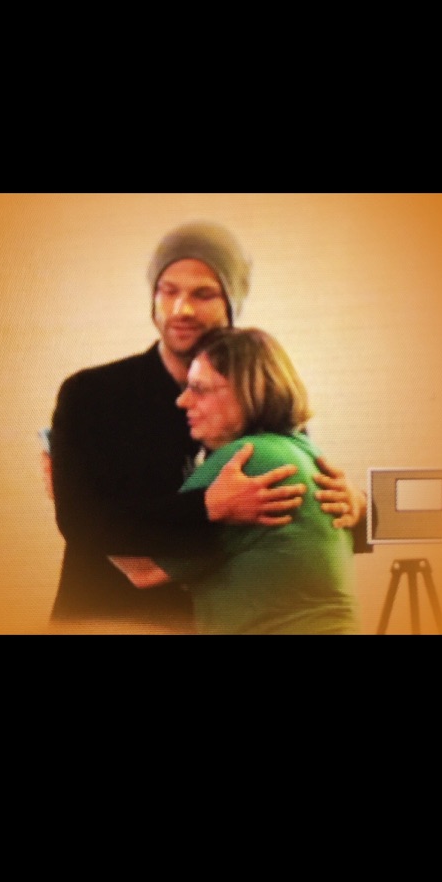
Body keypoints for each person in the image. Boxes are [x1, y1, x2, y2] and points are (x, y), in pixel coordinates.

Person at [49, 221, 367, 632]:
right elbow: (81, 524)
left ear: (231, 304)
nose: (181, 310)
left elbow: (299, 522)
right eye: (168, 291)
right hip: (105, 617)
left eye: (203, 294)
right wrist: (207, 507)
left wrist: (357, 506)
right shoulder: (91, 395)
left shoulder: (257, 404)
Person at [110, 328, 360, 634]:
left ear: (247, 391)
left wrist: (82, 494)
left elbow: (143, 568)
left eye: (199, 389)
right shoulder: (302, 450)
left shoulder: (244, 462)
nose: (183, 401)